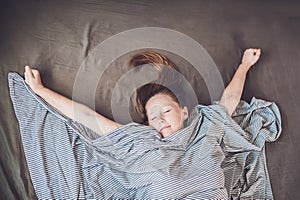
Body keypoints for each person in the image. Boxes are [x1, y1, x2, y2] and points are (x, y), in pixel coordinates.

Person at [24, 48, 261, 138]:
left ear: (185, 112)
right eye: (153, 116)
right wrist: (41, 90)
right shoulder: (141, 140)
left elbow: (229, 101)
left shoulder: (205, 130)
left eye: (166, 111)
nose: (160, 119)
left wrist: (244, 65)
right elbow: (88, 118)